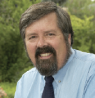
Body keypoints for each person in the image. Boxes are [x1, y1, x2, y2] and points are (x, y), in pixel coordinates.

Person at [14, 1, 95, 98]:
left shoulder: (91, 72)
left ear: (68, 38)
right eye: (33, 37)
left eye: (50, 34)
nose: (41, 44)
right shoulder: (25, 82)